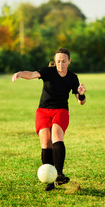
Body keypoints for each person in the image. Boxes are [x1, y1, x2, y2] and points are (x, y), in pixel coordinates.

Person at [12, 48, 86, 191]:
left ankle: (59, 174)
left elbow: (80, 101)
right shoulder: (48, 72)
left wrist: (81, 94)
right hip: (43, 110)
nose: (61, 64)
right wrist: (20, 74)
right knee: (46, 141)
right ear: (55, 61)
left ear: (69, 61)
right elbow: (32, 74)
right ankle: (50, 181)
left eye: (64, 61)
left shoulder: (72, 78)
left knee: (57, 135)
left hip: (61, 110)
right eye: (58, 61)